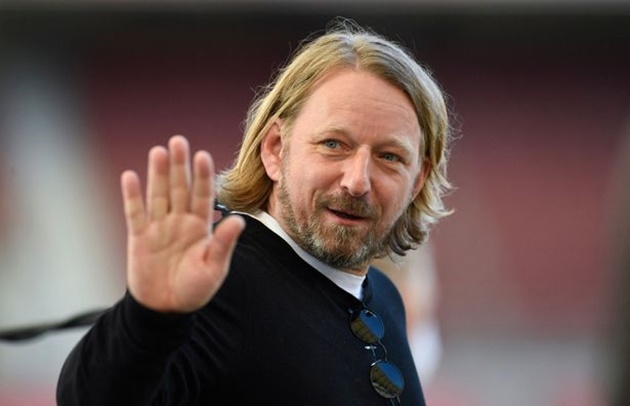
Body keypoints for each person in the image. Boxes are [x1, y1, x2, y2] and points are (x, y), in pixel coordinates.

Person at [56, 19, 453, 405]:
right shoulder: (218, 283)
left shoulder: (385, 297)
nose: (357, 181)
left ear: (417, 180)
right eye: (333, 145)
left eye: (389, 157)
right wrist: (149, 317)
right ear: (275, 149)